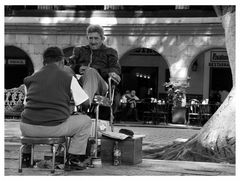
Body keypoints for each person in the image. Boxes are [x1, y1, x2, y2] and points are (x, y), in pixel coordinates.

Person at [20, 46, 92, 171]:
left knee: (29, 116)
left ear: (44, 62)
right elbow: (85, 102)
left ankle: (26, 158)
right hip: (52, 128)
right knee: (85, 121)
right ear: (62, 61)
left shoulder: (30, 78)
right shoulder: (67, 77)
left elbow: (28, 104)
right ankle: (73, 159)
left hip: (27, 128)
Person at [69, 24, 121, 109]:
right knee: (65, 69)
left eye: (96, 38)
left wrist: (97, 70)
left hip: (100, 84)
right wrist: (78, 68)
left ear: (102, 39)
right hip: (81, 82)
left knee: (91, 71)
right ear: (87, 38)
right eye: (91, 38)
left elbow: (116, 70)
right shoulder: (79, 50)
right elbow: (70, 64)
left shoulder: (110, 52)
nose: (93, 42)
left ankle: (85, 104)